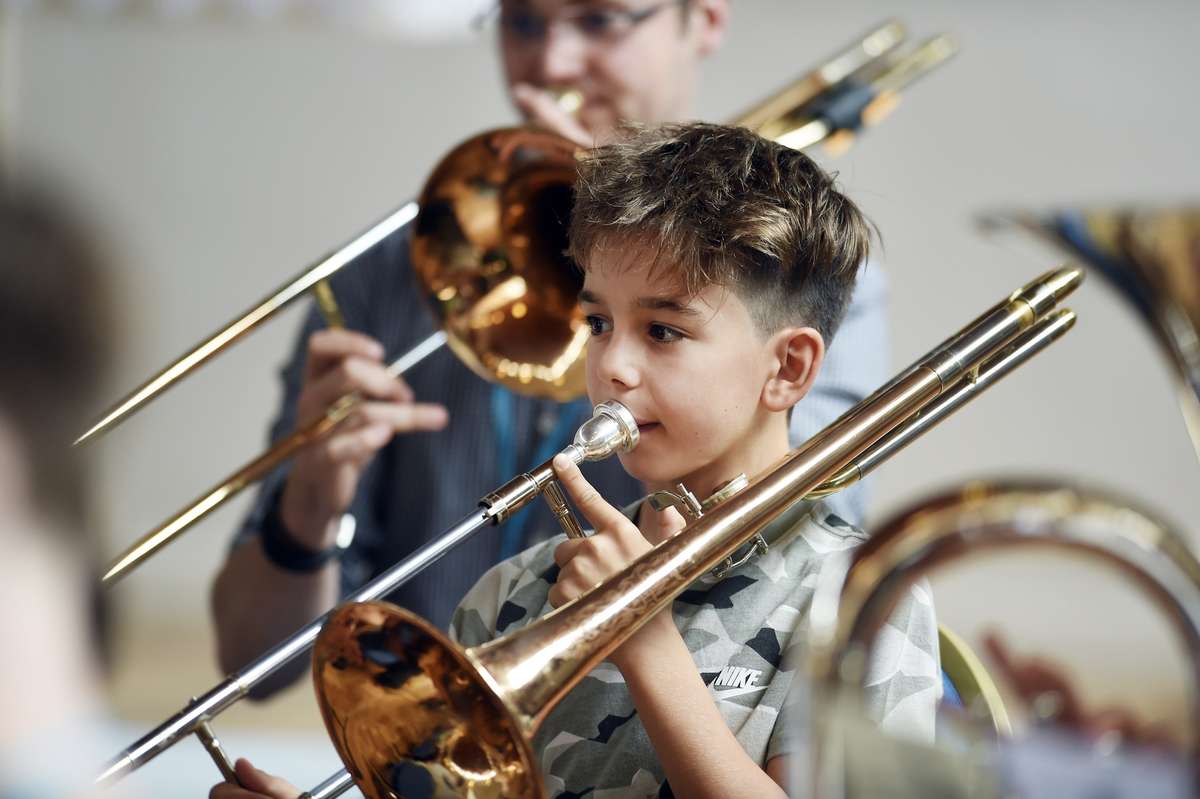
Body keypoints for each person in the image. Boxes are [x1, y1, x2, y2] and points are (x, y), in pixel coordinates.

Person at [211, 122, 932, 799]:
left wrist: (647, 646)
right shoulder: (514, 592)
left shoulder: (862, 599)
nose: (611, 365)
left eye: (662, 330)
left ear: (789, 368)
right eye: (597, 322)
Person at [211, 0, 888, 695]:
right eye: (523, 22)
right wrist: (311, 500)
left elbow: (800, 553)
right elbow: (251, 664)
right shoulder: (392, 270)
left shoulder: (798, 275)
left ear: (705, 19)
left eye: (600, 19)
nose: (551, 63)